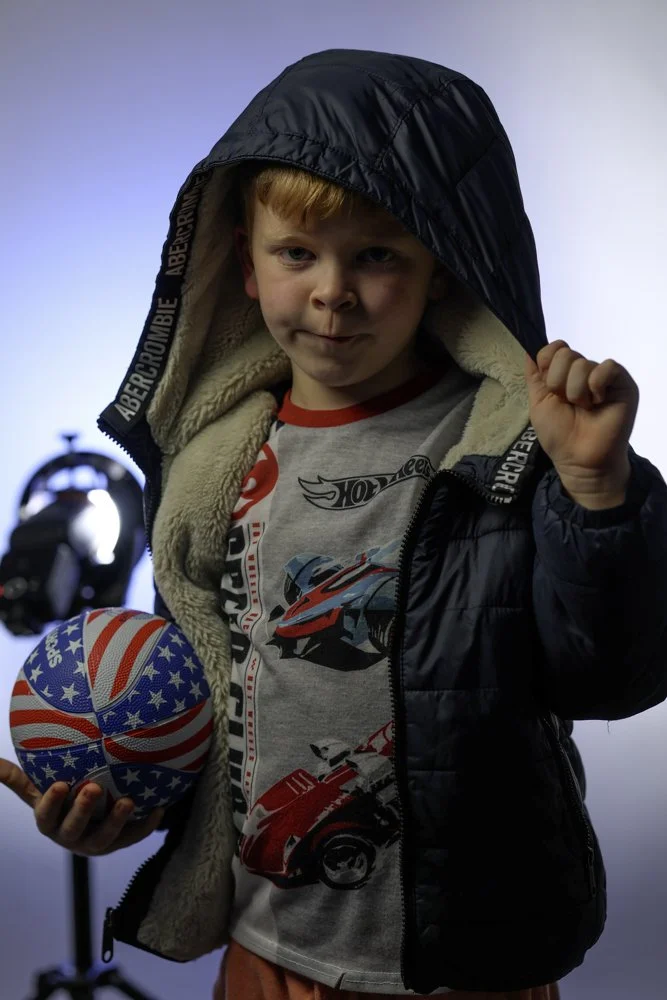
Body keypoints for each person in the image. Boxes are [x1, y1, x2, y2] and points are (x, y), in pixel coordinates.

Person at [2, 48, 667, 1000]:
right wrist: (124, 805)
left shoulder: (511, 452)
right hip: (266, 952)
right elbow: (211, 713)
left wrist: (597, 490)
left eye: (377, 256)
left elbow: (612, 675)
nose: (332, 293)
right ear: (244, 263)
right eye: (297, 254)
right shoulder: (211, 475)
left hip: (464, 965)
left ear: (444, 268)